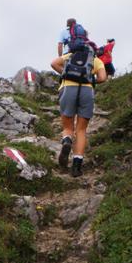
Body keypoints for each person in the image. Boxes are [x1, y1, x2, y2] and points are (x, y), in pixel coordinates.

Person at [50, 45, 107, 177]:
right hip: (87, 91)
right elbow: (103, 78)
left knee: (67, 126)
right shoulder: (96, 60)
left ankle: (67, 140)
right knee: (81, 130)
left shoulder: (70, 56)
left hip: (67, 88)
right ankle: (76, 167)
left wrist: (65, 73)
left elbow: (53, 63)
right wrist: (91, 79)